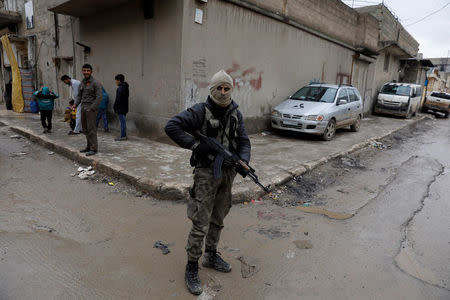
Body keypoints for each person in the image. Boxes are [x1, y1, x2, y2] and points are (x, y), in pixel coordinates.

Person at [165, 70, 251, 296]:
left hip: (228, 173)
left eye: (226, 88)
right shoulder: (199, 111)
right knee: (200, 221)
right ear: (212, 89)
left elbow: (244, 141)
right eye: (219, 88)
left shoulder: (235, 113)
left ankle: (211, 255)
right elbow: (172, 126)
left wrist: (244, 161)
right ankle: (192, 265)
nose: (223, 92)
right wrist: (196, 146)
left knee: (219, 216)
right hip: (205, 174)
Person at [73, 64, 103, 156]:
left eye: (88, 70)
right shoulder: (82, 83)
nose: (86, 72)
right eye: (84, 70)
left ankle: (94, 149)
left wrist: (92, 108)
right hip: (83, 108)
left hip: (91, 109)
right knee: (85, 129)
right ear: (82, 71)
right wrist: (75, 104)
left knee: (91, 129)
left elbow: (99, 97)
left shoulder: (95, 83)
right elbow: (79, 96)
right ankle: (88, 146)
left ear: (91, 71)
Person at [113, 74, 129, 141]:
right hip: (125, 107)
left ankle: (123, 136)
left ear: (119, 80)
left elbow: (118, 99)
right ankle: (124, 135)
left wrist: (114, 107)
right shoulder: (126, 87)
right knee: (123, 122)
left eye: (116, 80)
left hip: (120, 108)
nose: (116, 82)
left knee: (122, 122)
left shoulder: (120, 88)